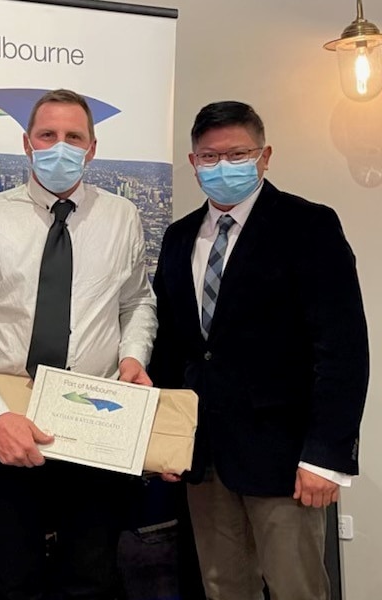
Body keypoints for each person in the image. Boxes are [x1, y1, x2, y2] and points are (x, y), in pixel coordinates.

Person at [149, 100, 369, 600]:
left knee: (297, 587)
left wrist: (326, 458)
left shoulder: (309, 226)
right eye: (209, 157)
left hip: (286, 458)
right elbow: (171, 347)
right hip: (203, 455)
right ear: (192, 162)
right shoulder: (180, 236)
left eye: (237, 154)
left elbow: (343, 349)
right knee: (223, 586)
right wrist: (166, 438)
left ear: (264, 156)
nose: (222, 166)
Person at [0, 89, 157, 599]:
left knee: (92, 575)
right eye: (48, 136)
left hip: (94, 419)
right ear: (27, 143)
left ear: (92, 148)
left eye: (73, 137)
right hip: (10, 418)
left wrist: (134, 355)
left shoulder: (122, 216)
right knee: (11, 578)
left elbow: (138, 303)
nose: (60, 147)